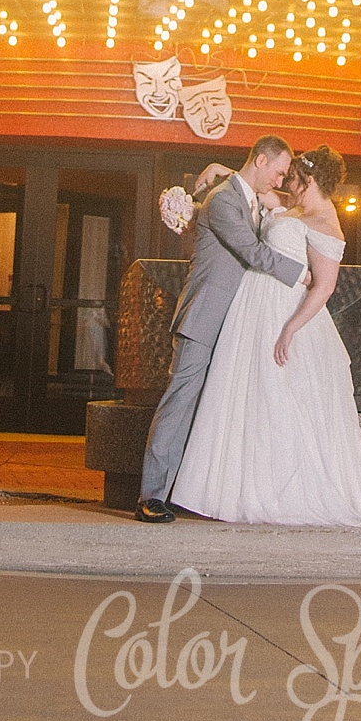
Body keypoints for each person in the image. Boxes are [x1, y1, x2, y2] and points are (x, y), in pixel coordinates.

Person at [170, 146, 361, 527]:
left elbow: (323, 287)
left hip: (284, 313)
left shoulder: (326, 223)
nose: (288, 184)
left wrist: (291, 327)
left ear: (312, 180)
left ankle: (278, 492)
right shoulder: (295, 205)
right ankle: (236, 486)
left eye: (296, 178)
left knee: (278, 399)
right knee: (245, 396)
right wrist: (218, 167)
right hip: (251, 309)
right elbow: (249, 185)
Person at [135, 134, 305, 522]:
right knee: (179, 404)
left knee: (216, 410)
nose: (279, 181)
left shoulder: (242, 193)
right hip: (204, 319)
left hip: (236, 325)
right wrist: (303, 275)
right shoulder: (224, 199)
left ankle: (193, 492)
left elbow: (271, 197)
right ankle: (151, 496)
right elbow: (252, 252)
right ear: (261, 161)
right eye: (278, 172)